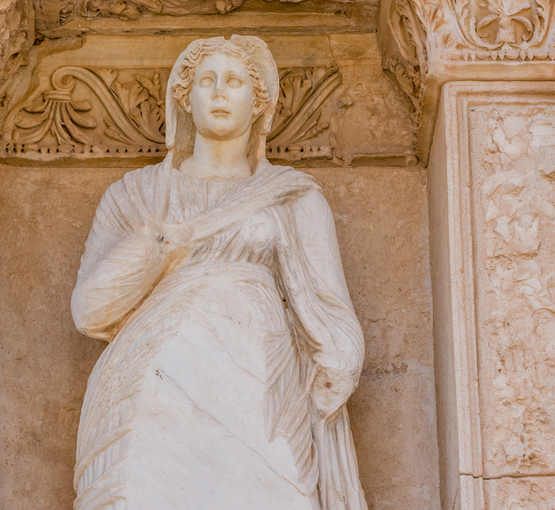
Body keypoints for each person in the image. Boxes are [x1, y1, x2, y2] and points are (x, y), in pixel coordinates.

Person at [71, 36, 368, 510]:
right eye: (205, 81)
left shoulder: (293, 197)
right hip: (153, 382)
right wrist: (158, 247)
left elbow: (330, 306)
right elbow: (89, 311)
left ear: (259, 105)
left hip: (263, 385)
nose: (219, 93)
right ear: (184, 99)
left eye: (234, 82)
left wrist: (340, 361)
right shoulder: (138, 195)